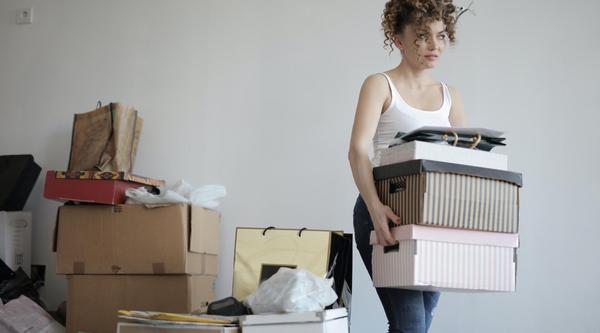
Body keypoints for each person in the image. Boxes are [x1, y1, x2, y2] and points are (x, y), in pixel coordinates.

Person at [348, 0, 467, 332]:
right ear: (398, 39)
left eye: (441, 36)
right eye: (422, 36)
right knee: (412, 325)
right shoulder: (379, 84)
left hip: (433, 218)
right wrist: (374, 209)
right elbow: (358, 151)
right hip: (385, 209)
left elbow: (462, 163)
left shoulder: (450, 96)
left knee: (416, 325)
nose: (434, 46)